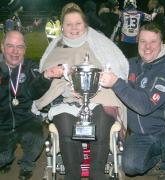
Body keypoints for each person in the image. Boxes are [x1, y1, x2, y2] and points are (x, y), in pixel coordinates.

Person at [32, 2, 129, 180]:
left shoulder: (99, 43)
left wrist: (99, 81)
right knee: (65, 123)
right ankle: (72, 175)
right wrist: (65, 88)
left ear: (85, 24)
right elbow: (47, 79)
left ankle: (97, 173)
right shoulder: (56, 48)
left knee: (101, 123)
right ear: (62, 27)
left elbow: (117, 68)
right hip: (66, 100)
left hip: (100, 95)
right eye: (69, 24)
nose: (74, 28)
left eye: (78, 23)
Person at [100, 22, 165, 180]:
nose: (147, 47)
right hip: (142, 134)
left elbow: (144, 106)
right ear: (137, 41)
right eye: (143, 41)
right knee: (130, 166)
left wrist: (116, 82)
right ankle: (157, 156)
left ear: (162, 43)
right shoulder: (131, 64)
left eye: (153, 42)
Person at [0, 30, 63, 180]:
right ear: (2, 47)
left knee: (36, 139)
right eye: (10, 46)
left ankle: (27, 165)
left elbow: (34, 92)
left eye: (20, 47)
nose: (15, 51)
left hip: (26, 119)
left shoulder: (30, 67)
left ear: (25, 49)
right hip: (2, 123)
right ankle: (7, 158)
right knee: (3, 158)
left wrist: (46, 76)